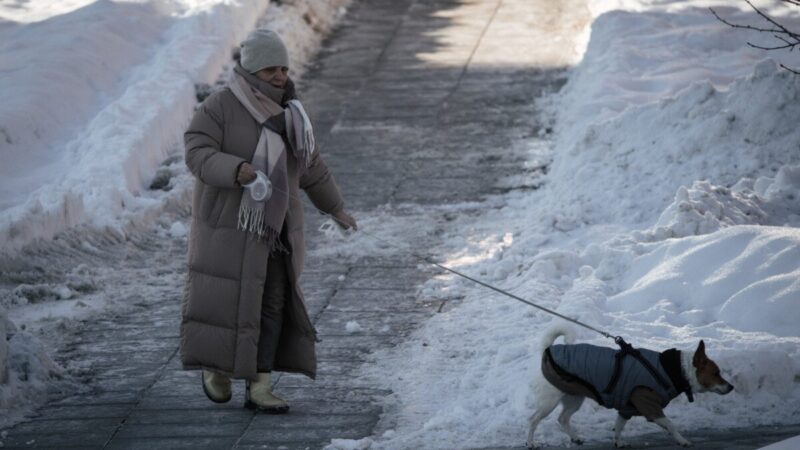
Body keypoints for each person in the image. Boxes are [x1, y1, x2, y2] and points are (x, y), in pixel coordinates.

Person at [180, 28, 357, 413]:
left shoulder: (292, 112)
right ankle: (217, 369)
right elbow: (197, 152)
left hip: (276, 231)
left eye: (283, 68)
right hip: (230, 227)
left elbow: (310, 166)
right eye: (270, 70)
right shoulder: (219, 107)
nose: (280, 76)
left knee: (273, 302)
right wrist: (235, 168)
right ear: (250, 71)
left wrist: (336, 208)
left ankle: (260, 384)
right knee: (228, 302)